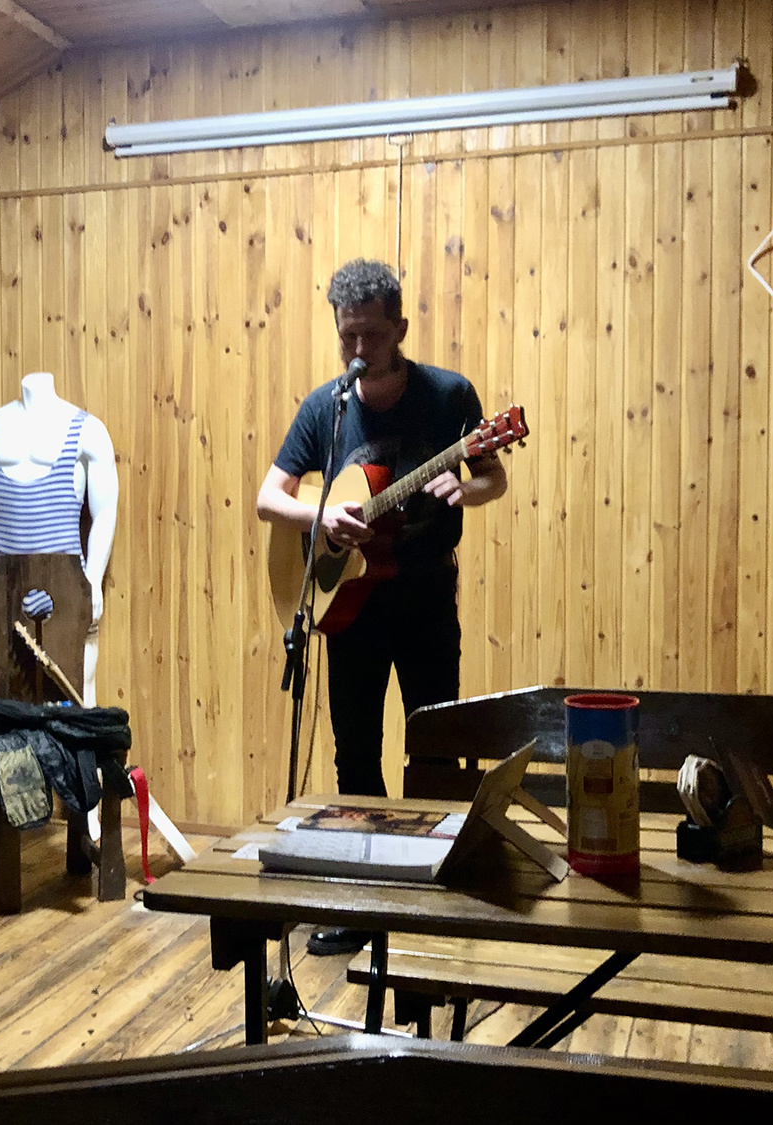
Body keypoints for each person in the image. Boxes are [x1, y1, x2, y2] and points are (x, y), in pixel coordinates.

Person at [256, 259, 508, 955]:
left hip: (426, 599)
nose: (359, 349)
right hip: (351, 608)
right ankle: (364, 904)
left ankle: (439, 895)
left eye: (371, 334)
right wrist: (321, 517)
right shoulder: (328, 407)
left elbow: (492, 475)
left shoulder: (448, 396)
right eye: (348, 336)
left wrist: (468, 491)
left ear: (400, 327)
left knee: (436, 748)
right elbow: (268, 498)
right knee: (356, 755)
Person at [0, 371, 119, 842]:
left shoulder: (87, 430)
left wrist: (92, 580)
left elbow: (105, 511)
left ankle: (85, 810)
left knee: (78, 697)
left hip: (67, 588)